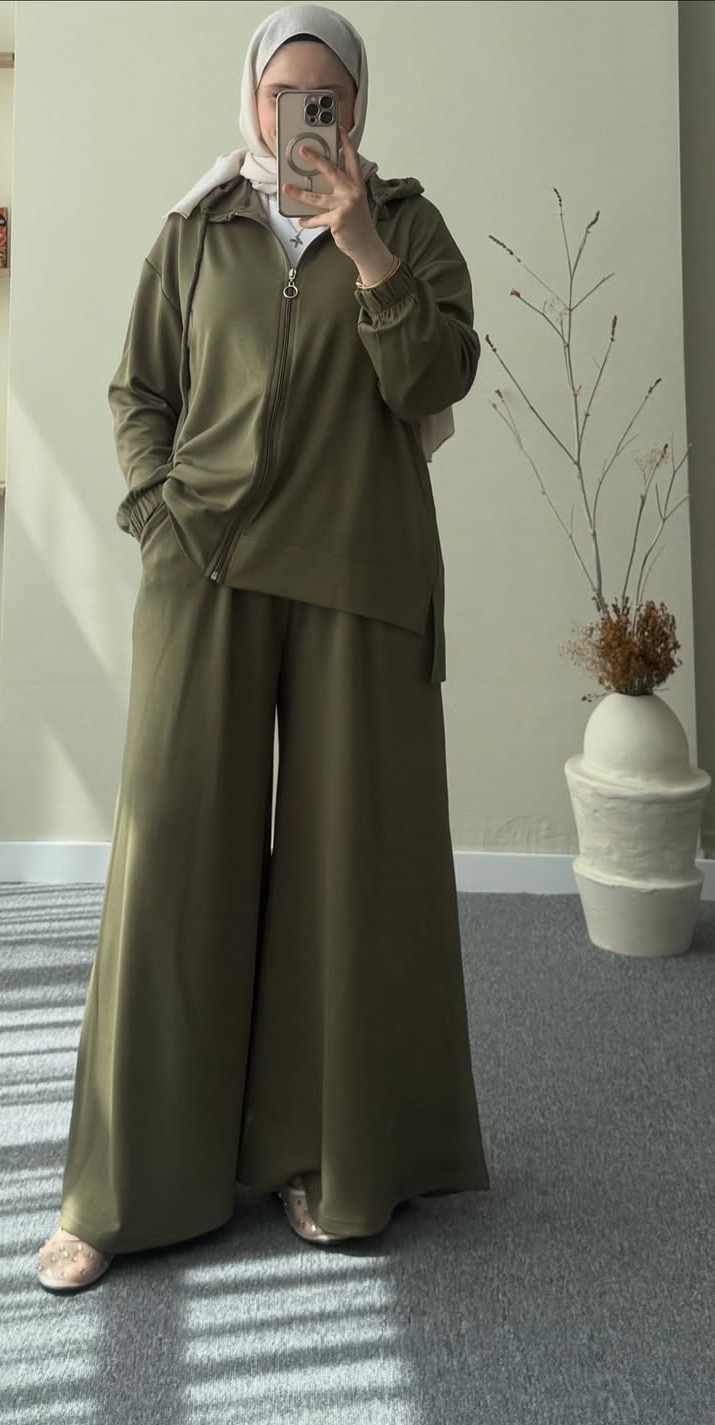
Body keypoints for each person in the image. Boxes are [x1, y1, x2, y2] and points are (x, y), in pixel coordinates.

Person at [36, 1, 491, 1294]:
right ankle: (127, 1189)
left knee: (353, 876)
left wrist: (364, 248)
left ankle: (330, 1161)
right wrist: (154, 510)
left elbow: (437, 381)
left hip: (361, 575)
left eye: (326, 97)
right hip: (208, 570)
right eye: (284, 94)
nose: (303, 116)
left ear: (357, 108)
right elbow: (141, 389)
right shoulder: (195, 230)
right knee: (171, 864)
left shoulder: (408, 227)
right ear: (251, 104)